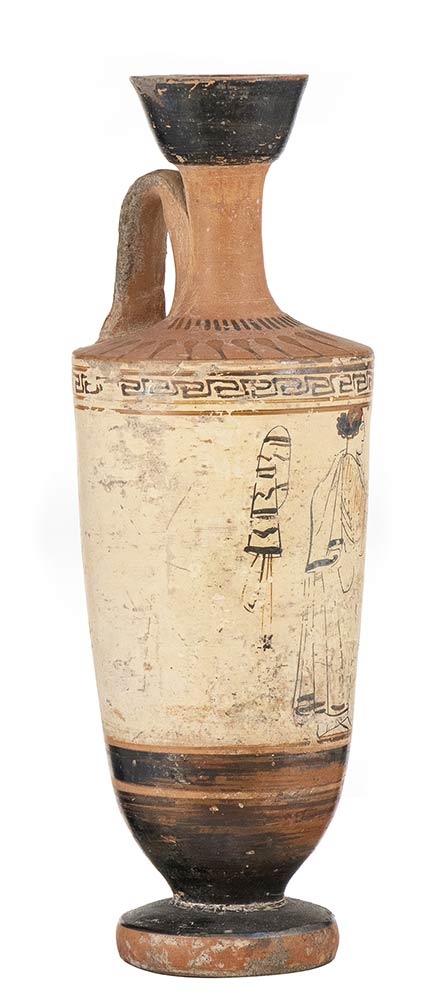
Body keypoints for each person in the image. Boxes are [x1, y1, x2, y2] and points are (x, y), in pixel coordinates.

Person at [293, 406, 367, 741]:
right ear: (358, 433)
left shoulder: (333, 471)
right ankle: (332, 715)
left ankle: (323, 717)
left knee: (320, 640)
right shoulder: (347, 467)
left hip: (320, 569)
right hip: (335, 569)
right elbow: (353, 521)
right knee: (332, 640)